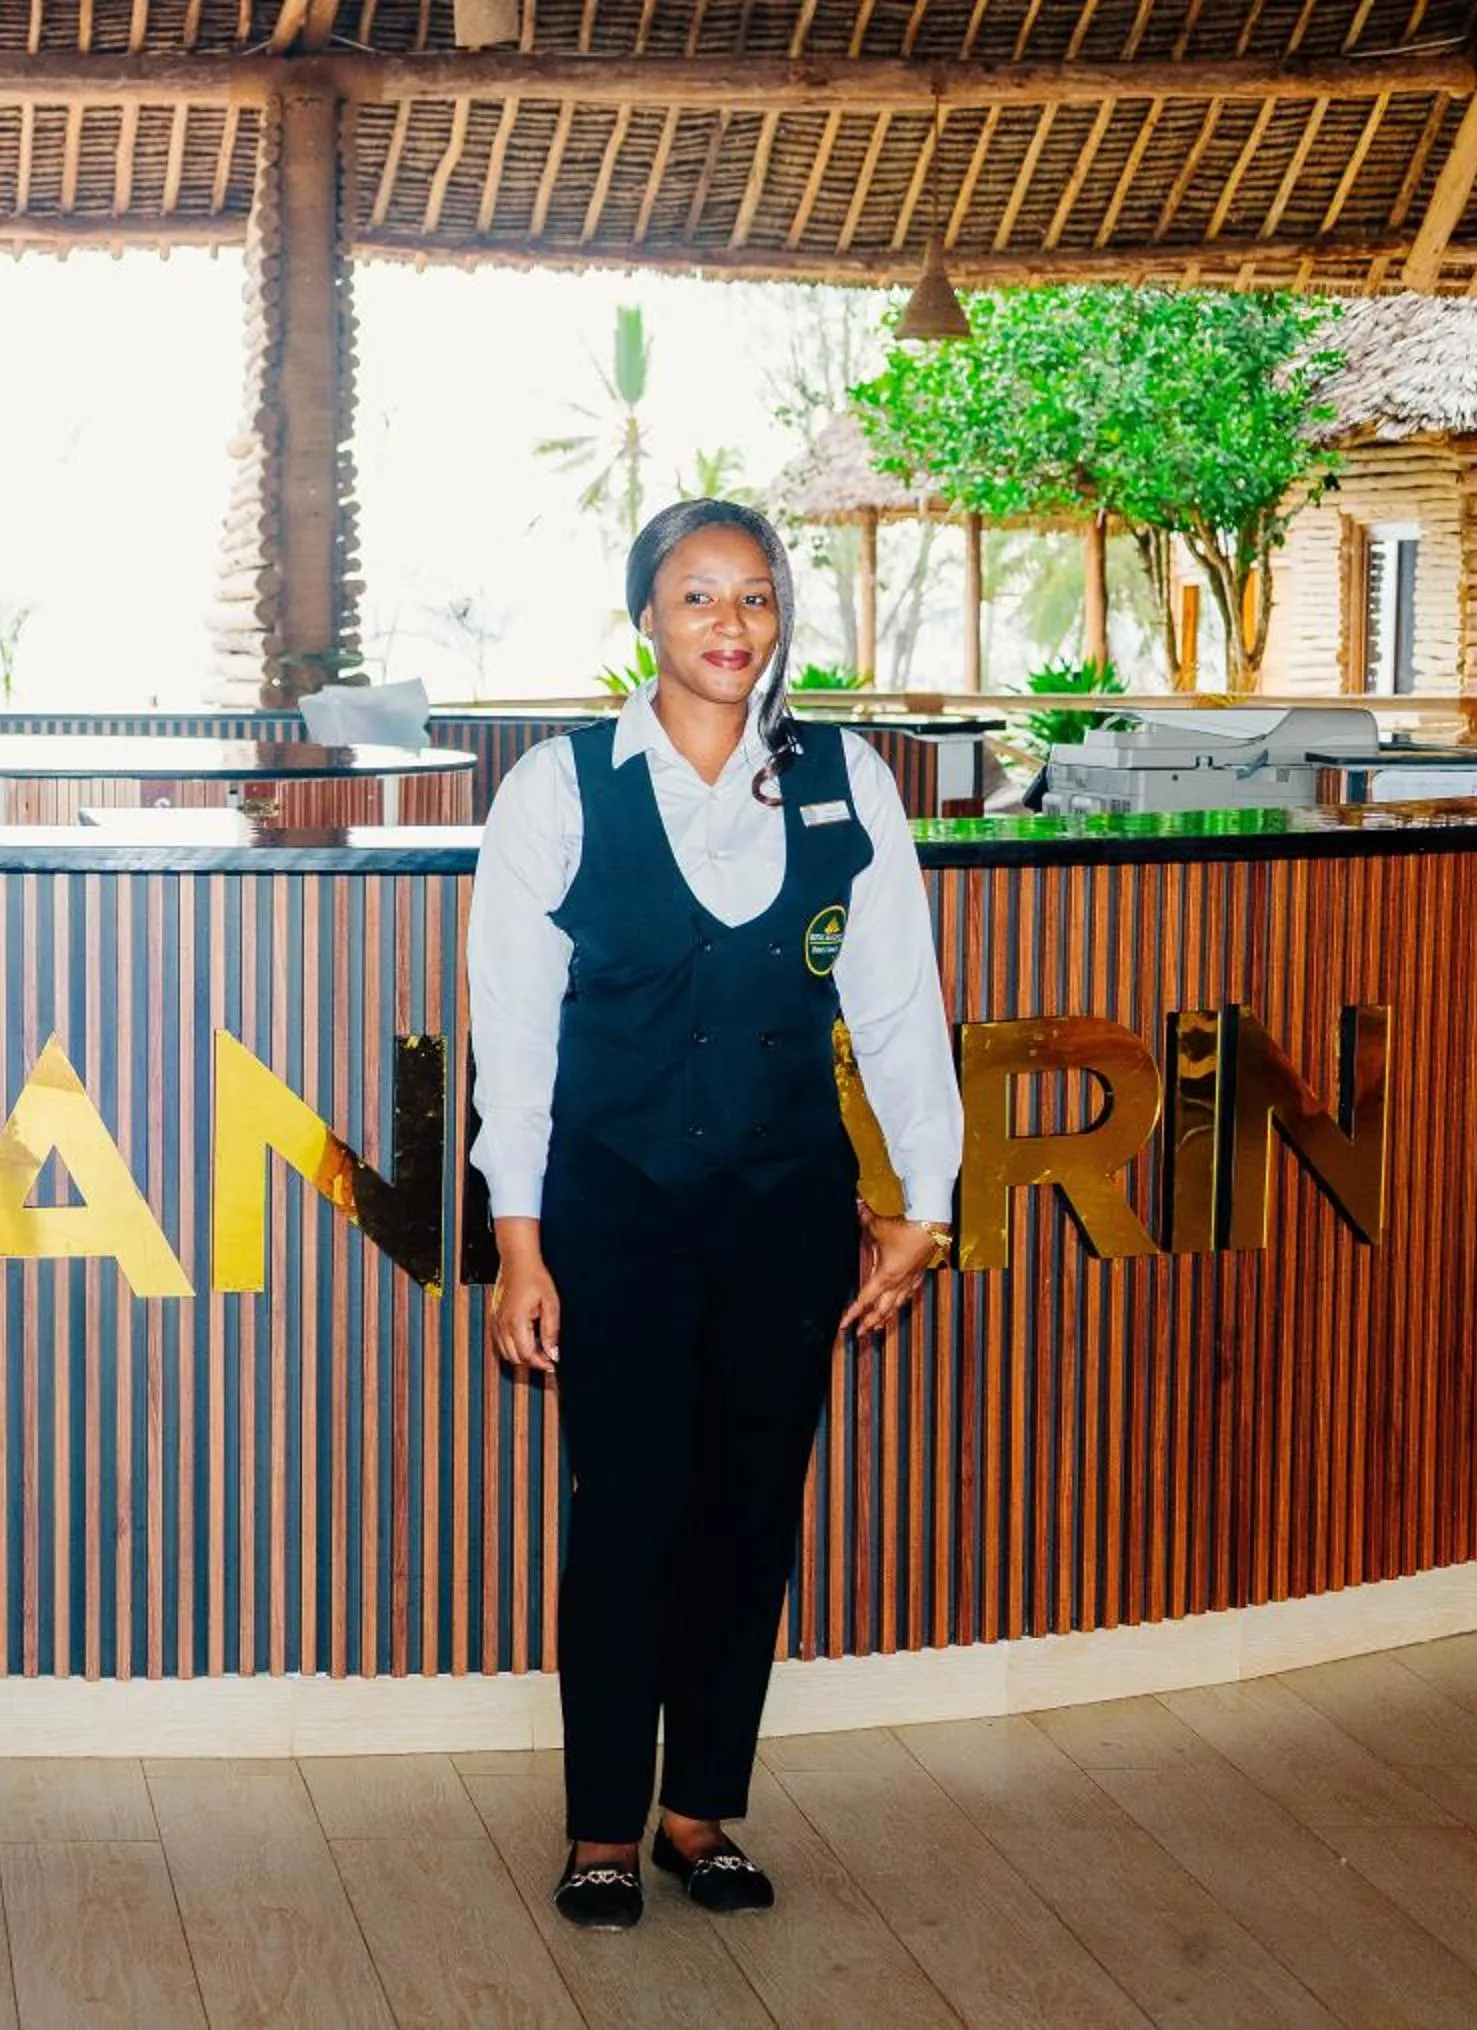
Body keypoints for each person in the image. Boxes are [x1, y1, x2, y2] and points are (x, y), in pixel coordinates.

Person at [467, 497, 963, 1930]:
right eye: (698, 598)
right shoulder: (561, 790)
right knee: (625, 1514)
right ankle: (604, 1826)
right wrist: (520, 1241)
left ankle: (702, 1813)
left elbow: (896, 998)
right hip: (615, 1209)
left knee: (752, 1514)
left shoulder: (845, 780)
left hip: (784, 1207)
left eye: (754, 597)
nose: (731, 624)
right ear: (646, 622)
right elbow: (517, 1031)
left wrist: (925, 1200)